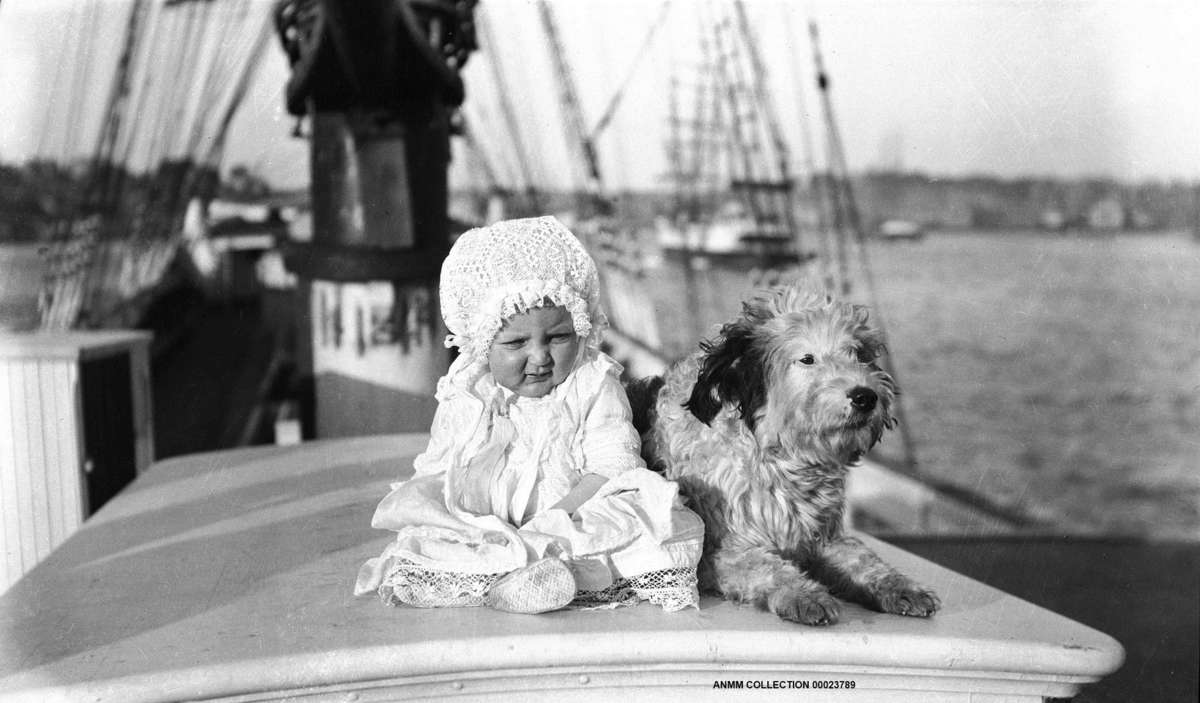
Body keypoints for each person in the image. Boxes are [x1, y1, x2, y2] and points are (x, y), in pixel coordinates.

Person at [355, 216, 704, 614]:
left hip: (572, 514)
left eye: (558, 337)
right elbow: (442, 465)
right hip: (486, 522)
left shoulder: (591, 383)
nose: (540, 357)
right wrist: (464, 519)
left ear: (582, 327)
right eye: (517, 342)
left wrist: (556, 518)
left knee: (642, 521)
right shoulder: (470, 391)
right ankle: (503, 576)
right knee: (435, 536)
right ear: (482, 344)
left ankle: (547, 577)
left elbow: (613, 466)